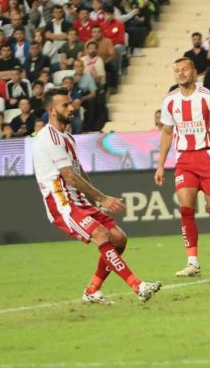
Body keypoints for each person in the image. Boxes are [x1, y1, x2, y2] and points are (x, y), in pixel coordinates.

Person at [32, 87, 161, 304]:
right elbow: (69, 177)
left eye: (70, 102)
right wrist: (102, 198)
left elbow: (78, 171)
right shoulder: (48, 137)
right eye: (65, 104)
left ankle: (92, 290)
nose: (72, 107)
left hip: (79, 200)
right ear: (52, 110)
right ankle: (138, 286)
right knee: (101, 234)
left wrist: (94, 201)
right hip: (62, 201)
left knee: (119, 239)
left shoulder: (67, 137)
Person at [155, 57, 210, 278]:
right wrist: (160, 165)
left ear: (195, 72)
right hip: (184, 160)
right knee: (185, 210)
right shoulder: (170, 100)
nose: (181, 73)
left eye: (185, 70)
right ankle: (193, 262)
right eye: (177, 70)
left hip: (207, 157)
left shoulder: (208, 98)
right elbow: (167, 133)